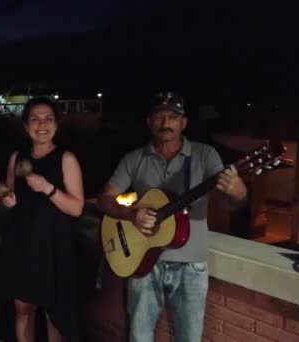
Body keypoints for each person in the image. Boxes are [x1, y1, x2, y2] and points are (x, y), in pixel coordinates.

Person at [97, 91, 247, 342]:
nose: (165, 123)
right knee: (139, 336)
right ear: (149, 122)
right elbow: (105, 199)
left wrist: (238, 193)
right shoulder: (134, 158)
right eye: (159, 117)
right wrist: (132, 213)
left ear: (184, 123)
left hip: (190, 266)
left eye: (173, 117)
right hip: (143, 263)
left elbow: (228, 203)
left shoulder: (205, 155)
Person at [0, 97, 84, 342]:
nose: (42, 125)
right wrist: (4, 197)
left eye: (48, 118)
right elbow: (6, 191)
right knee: (23, 311)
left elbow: (76, 208)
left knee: (55, 314)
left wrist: (48, 188)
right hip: (21, 243)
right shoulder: (17, 157)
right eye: (35, 119)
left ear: (56, 124)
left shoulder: (66, 158)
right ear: (25, 126)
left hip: (53, 244)